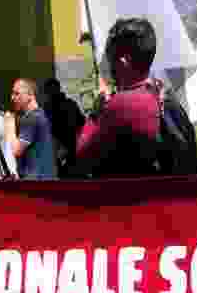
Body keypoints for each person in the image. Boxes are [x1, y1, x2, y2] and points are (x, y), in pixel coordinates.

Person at [75, 17, 184, 177]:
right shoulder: (163, 94)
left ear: (123, 62)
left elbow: (82, 156)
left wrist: (95, 114)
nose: (109, 66)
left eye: (110, 58)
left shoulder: (120, 105)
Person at [9, 78, 58, 179]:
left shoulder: (31, 118)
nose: (12, 98)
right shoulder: (41, 114)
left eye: (17, 94)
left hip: (35, 179)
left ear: (30, 95)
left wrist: (9, 124)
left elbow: (16, 150)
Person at [42, 77, 86, 177]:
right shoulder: (70, 104)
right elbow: (82, 124)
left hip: (59, 152)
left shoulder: (48, 108)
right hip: (70, 149)